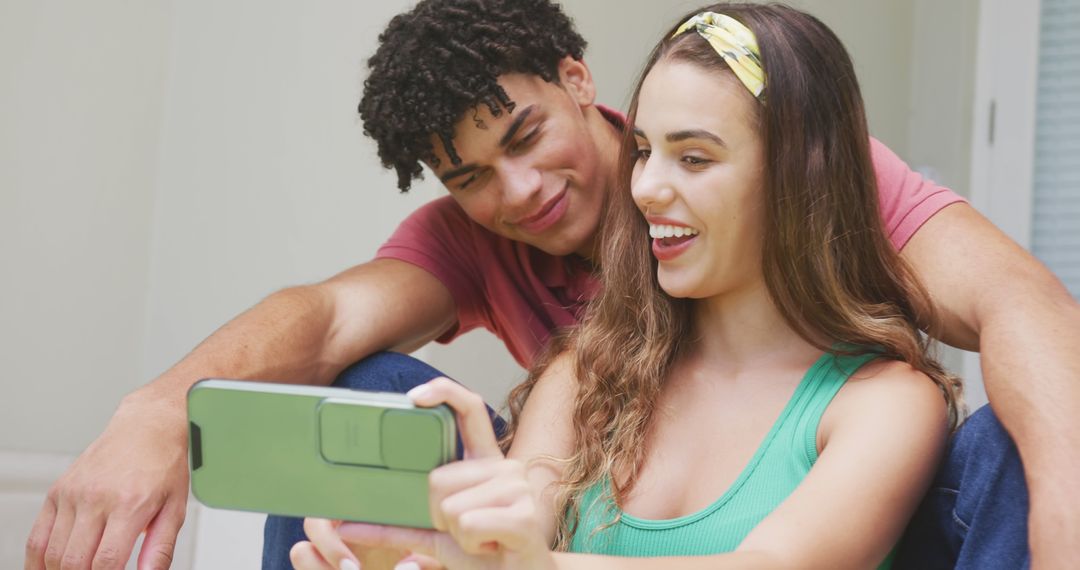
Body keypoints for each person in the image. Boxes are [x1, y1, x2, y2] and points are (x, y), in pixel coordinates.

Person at [23, 0, 1077, 569]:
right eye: (472, 175)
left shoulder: (867, 362)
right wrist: (159, 412)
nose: (518, 192)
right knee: (374, 390)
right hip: (587, 488)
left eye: (696, 159)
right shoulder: (582, 358)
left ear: (579, 86)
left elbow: (1021, 305)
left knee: (1002, 442)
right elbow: (333, 314)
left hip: (847, 506)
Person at [289, 5, 964, 568]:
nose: (644, 187)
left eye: (693, 157)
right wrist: (408, 552)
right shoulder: (586, 373)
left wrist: (539, 564)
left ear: (797, 175)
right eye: (643, 151)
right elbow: (508, 541)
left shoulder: (886, 404)